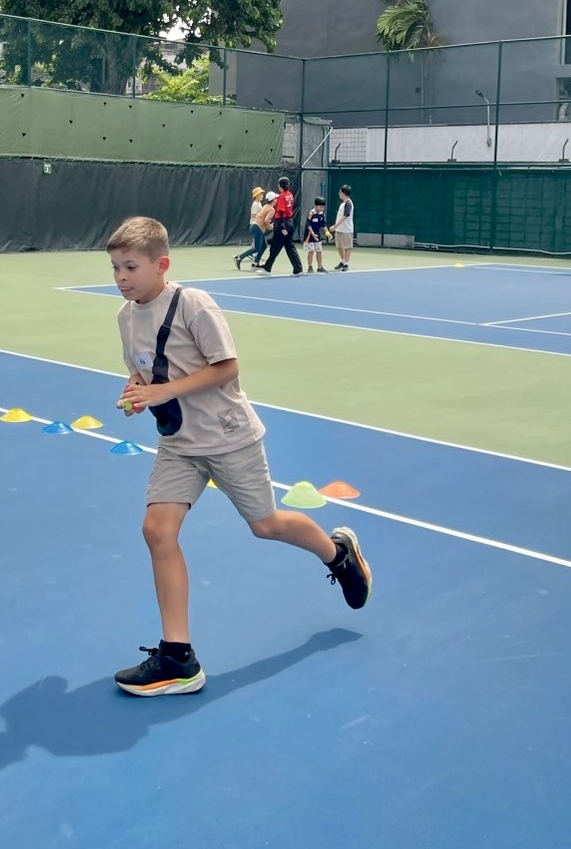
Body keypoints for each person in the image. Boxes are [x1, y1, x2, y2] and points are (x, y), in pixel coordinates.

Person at [107, 216, 372, 696]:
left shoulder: (193, 304)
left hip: (229, 437)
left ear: (162, 265)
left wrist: (163, 390)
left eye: (131, 267)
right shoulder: (126, 318)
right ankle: (178, 658)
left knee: (266, 526)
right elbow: (145, 374)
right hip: (179, 444)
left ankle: (339, 555)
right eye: (116, 268)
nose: (121, 277)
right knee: (157, 530)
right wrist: (137, 392)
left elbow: (227, 368)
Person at [258, 176, 303, 276]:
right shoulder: (290, 195)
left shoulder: (282, 196)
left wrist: (282, 227)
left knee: (275, 246)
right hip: (290, 222)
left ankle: (267, 269)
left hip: (282, 223)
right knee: (289, 246)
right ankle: (298, 268)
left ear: (280, 186)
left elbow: (282, 212)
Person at [234, 188, 268, 270]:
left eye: (262, 194)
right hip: (256, 226)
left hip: (259, 227)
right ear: (256, 196)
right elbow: (254, 215)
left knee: (264, 245)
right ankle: (239, 257)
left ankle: (256, 262)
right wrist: (264, 219)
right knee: (257, 248)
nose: (262, 196)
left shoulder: (259, 203)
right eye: (260, 194)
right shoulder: (255, 205)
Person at [331, 184, 355, 270]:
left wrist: (335, 226)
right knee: (339, 246)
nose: (339, 194)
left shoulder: (348, 204)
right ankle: (343, 261)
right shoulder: (342, 204)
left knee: (347, 247)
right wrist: (337, 227)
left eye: (340, 192)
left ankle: (346, 264)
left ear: (343, 193)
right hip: (339, 229)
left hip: (347, 230)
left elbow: (345, 216)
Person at [303, 197, 329, 273]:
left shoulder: (322, 214)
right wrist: (313, 234)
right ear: (315, 206)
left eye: (323, 207)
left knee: (319, 250)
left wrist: (327, 232)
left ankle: (320, 267)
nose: (322, 208)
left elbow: (324, 225)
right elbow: (308, 225)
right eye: (320, 207)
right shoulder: (311, 213)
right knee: (311, 251)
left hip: (317, 235)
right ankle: (310, 267)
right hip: (310, 235)